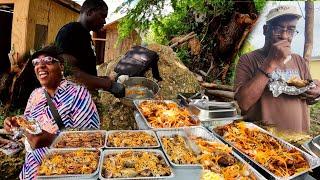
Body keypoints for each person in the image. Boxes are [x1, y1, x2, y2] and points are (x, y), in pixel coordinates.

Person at [3, 45, 100, 179]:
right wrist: (16, 123)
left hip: (65, 171)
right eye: (36, 62)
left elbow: (92, 143)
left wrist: (52, 140)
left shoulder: (79, 94)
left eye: (48, 60)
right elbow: (29, 123)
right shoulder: (35, 95)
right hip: (31, 171)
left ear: (61, 66)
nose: (40, 65)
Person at [234, 5, 320, 132]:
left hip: (298, 140)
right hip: (262, 143)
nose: (285, 36)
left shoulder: (299, 61)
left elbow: (309, 99)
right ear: (265, 30)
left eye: (291, 30)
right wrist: (270, 62)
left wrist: (316, 94)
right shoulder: (248, 60)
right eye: (278, 29)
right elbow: (243, 104)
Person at [55, 0, 124, 98]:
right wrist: (108, 85)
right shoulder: (71, 31)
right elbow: (69, 73)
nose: (104, 21)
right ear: (90, 12)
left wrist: (102, 79)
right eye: (102, 16)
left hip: (85, 99)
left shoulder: (85, 35)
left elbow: (84, 70)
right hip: (74, 103)